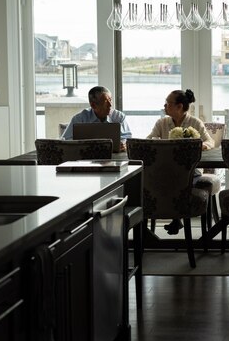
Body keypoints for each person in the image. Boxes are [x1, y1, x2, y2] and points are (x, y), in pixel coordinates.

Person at [148, 89, 214, 234]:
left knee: (176, 181)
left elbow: (210, 141)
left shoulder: (195, 122)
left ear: (179, 106)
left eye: (167, 103)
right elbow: (149, 140)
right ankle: (176, 217)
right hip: (166, 169)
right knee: (165, 179)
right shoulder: (162, 123)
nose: (164, 106)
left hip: (190, 171)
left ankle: (176, 217)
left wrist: (203, 145)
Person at [61, 86, 132, 152]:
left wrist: (124, 144)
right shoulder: (80, 119)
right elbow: (65, 141)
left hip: (114, 156)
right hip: (86, 158)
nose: (110, 105)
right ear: (93, 105)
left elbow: (128, 138)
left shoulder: (118, 117)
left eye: (110, 100)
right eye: (105, 102)